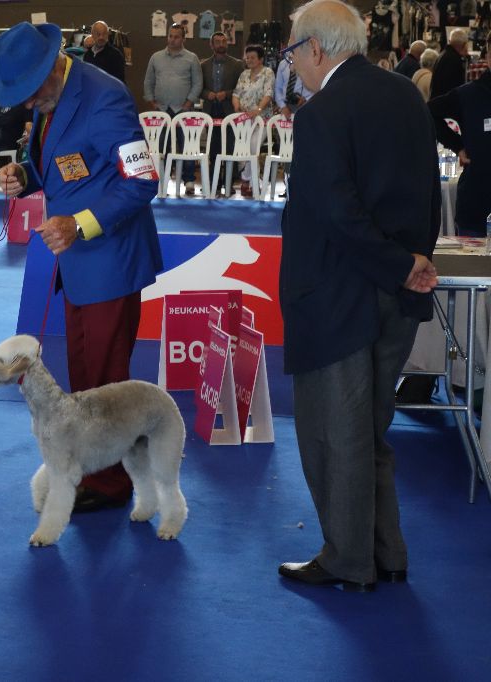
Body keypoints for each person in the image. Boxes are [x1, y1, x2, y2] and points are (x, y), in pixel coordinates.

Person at [277, 0, 440, 592]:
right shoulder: (405, 96)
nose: (293, 65)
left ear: (316, 49)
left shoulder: (322, 113)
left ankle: (349, 560)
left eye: (294, 52)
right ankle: (385, 552)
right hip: (398, 295)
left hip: (339, 295)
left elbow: (338, 213)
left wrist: (400, 265)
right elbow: (428, 193)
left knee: (334, 432)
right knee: (370, 431)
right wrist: (416, 262)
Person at [0, 22, 164, 512]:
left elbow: (141, 182)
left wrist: (80, 225)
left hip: (110, 259)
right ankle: (97, 471)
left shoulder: (106, 97)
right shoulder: (50, 101)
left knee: (106, 384)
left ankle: (112, 486)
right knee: (86, 376)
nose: (27, 104)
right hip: (79, 265)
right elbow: (62, 168)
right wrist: (23, 176)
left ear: (53, 67)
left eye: (30, 92)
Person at [429, 38, 491, 236]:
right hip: (477, 202)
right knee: (473, 267)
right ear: (488, 57)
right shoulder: (469, 95)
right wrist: (458, 146)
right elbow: (430, 112)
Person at [143, 23, 203, 196]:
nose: (172, 39)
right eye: (170, 36)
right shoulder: (156, 57)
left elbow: (198, 83)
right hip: (161, 109)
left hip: (184, 110)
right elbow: (148, 82)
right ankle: (161, 180)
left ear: (184, 39)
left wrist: (187, 103)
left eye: (176, 36)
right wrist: (152, 103)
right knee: (160, 146)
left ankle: (189, 181)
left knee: (187, 146)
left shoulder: (192, 58)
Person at [200, 31, 244, 194]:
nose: (221, 44)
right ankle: (213, 183)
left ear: (227, 44)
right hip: (210, 109)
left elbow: (242, 88)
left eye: (223, 41)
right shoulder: (203, 65)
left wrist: (227, 93)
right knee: (213, 148)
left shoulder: (238, 64)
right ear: (211, 45)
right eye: (217, 42)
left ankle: (229, 183)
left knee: (229, 148)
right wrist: (207, 94)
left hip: (229, 109)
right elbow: (199, 88)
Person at [231, 44, 274, 196]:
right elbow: (236, 93)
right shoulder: (243, 74)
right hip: (244, 119)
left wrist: (258, 109)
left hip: (262, 118)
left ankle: (247, 179)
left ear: (261, 59)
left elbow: (268, 93)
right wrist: (237, 107)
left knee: (253, 147)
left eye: (253, 57)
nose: (249, 60)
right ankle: (249, 180)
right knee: (244, 147)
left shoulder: (268, 73)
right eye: (247, 57)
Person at [429, 28, 469, 100]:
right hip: (446, 106)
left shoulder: (443, 55)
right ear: (464, 45)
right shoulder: (455, 60)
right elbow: (457, 88)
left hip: (436, 103)